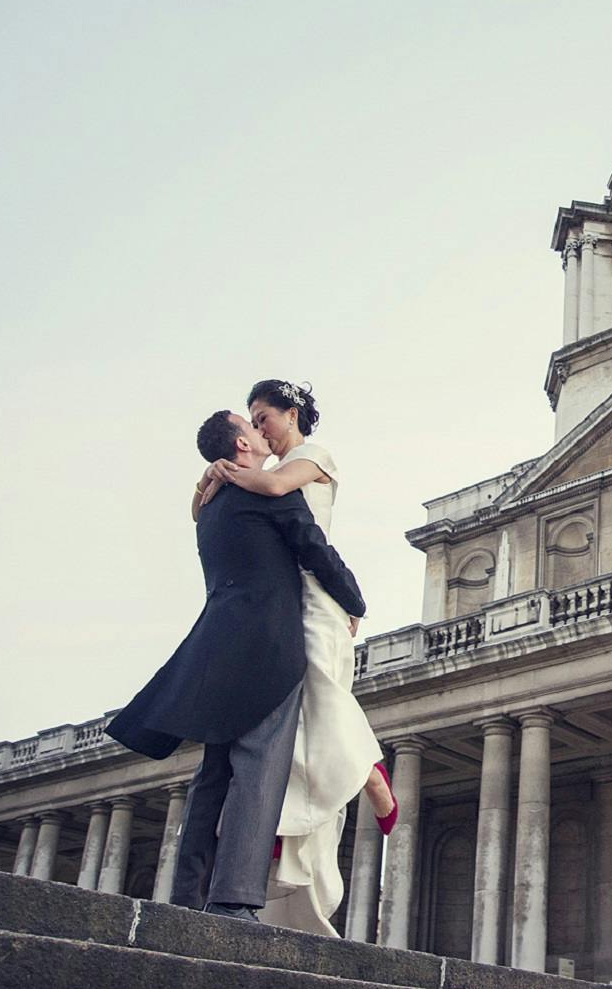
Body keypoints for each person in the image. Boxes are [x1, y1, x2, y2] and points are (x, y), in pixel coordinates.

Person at [106, 410, 368, 923]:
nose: (260, 431)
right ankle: (234, 899)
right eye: (251, 426)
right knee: (259, 770)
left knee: (214, 775)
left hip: (217, 645)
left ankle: (187, 895)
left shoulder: (212, 506)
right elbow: (314, 548)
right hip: (268, 646)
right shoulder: (268, 492)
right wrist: (355, 601)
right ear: (242, 445)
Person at [194, 379, 395, 937]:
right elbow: (201, 508)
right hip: (288, 598)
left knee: (320, 696)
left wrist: (222, 470)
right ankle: (287, 837)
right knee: (293, 726)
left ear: (292, 413)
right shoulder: (251, 472)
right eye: (252, 423)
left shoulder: (311, 457)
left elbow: (278, 488)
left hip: (315, 597)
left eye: (264, 418)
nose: (259, 430)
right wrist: (215, 471)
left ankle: (369, 774)